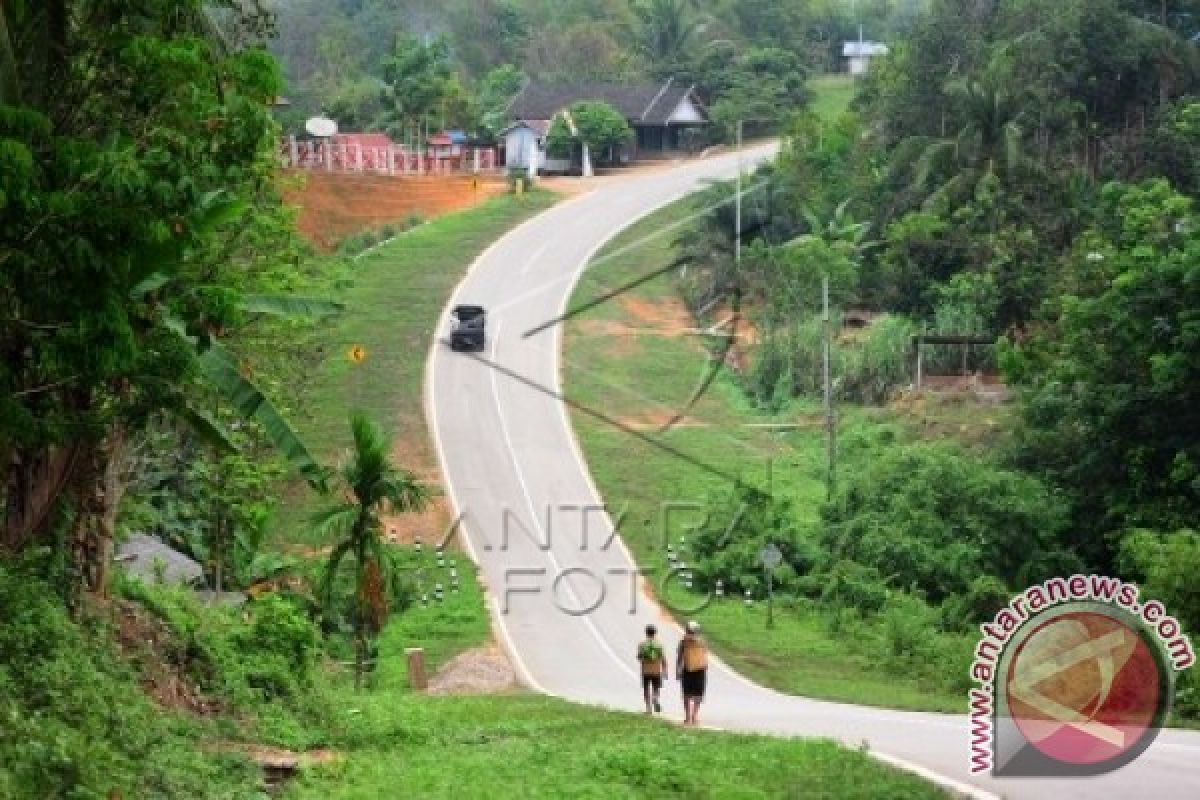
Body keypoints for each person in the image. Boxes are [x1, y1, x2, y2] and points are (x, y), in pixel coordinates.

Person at [676, 620, 708, 726]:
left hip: (691, 669)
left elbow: (680, 657)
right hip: (698, 669)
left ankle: (689, 716)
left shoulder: (684, 642)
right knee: (695, 693)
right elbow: (704, 654)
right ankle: (692, 716)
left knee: (689, 694)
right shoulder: (698, 641)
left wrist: (678, 669)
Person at [637, 624, 668, 713]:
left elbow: (639, 657)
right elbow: (663, 658)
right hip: (656, 670)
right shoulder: (659, 645)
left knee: (646, 689)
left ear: (646, 632)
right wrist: (665, 670)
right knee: (656, 688)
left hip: (645, 670)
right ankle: (655, 698)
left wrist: (643, 660)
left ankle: (648, 708)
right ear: (655, 633)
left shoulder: (642, 644)